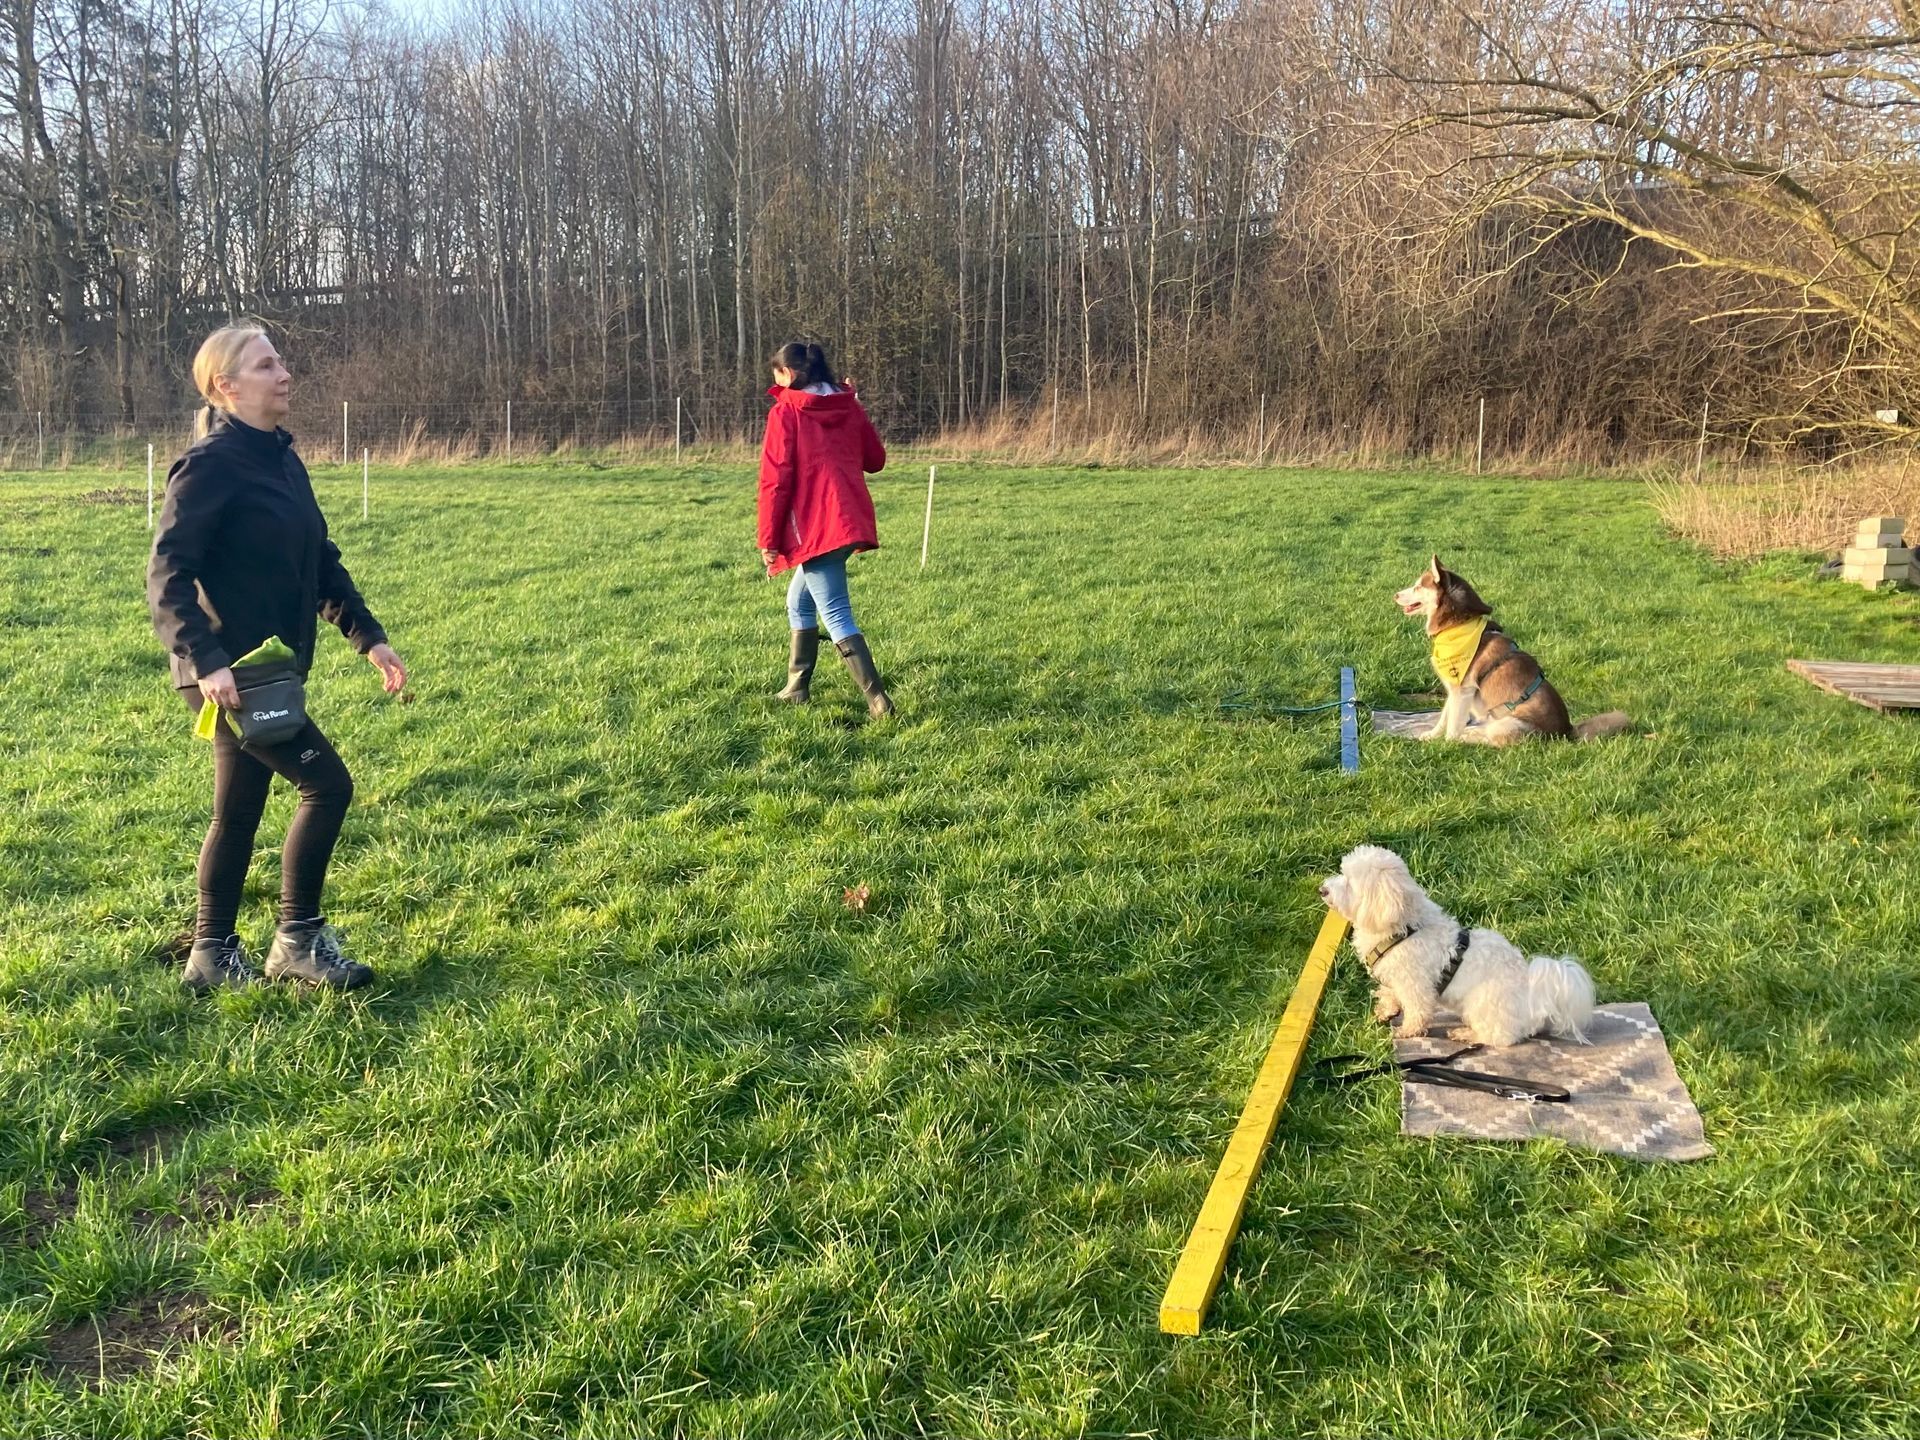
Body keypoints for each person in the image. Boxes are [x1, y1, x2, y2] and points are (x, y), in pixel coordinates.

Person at [147, 323, 407, 993]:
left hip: (269, 669)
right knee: (327, 786)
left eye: (280, 361)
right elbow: (167, 574)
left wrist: (369, 637)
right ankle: (298, 940)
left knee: (237, 811)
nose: (284, 373)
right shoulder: (209, 466)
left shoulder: (283, 460)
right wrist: (207, 660)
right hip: (231, 672)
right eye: (266, 365)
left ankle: (211, 955)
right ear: (226, 386)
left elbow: (320, 561)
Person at [756, 340, 894, 716]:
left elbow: (775, 481)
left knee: (835, 611)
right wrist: (855, 406)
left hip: (818, 527)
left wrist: (769, 539)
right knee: (799, 601)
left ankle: (879, 701)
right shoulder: (846, 405)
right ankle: (796, 687)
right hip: (850, 519)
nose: (776, 383)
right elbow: (875, 459)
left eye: (776, 375)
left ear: (789, 374)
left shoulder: (786, 412)